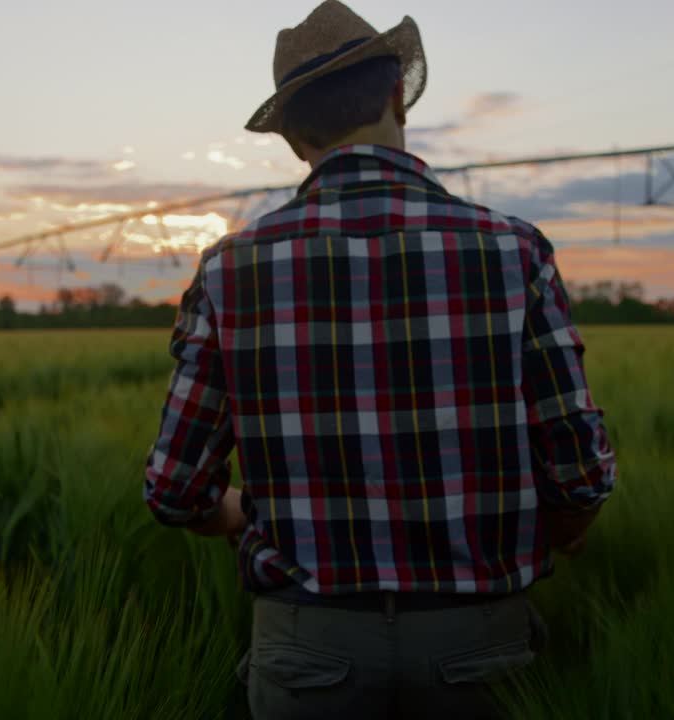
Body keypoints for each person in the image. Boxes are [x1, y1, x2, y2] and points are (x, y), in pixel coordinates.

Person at [144, 2, 616, 718]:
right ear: (399, 94)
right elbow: (580, 471)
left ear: (297, 139)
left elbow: (176, 490)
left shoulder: (228, 269)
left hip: (306, 651)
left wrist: (243, 513)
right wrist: (554, 530)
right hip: (483, 646)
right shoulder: (513, 250)